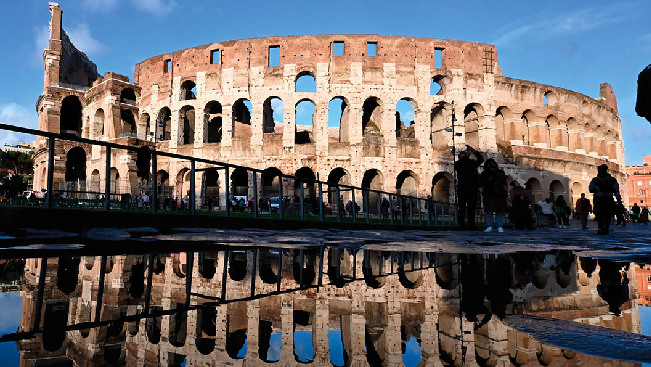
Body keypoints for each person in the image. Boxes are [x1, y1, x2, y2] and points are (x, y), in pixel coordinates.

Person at [454, 145, 484, 228]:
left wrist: (474, 152)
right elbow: (462, 163)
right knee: (462, 207)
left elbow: (481, 159)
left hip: (472, 187)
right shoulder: (458, 163)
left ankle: (471, 223)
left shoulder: (472, 163)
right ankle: (461, 223)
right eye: (463, 154)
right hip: (463, 188)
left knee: (471, 207)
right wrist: (466, 155)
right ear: (460, 157)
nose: (466, 154)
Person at [589, 164, 622, 235]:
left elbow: (616, 190)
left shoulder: (597, 180)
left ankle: (604, 228)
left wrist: (618, 199)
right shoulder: (609, 179)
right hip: (604, 198)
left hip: (603, 198)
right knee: (602, 214)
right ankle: (602, 228)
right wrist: (618, 199)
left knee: (605, 214)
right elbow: (616, 190)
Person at [480, 158, 508, 232]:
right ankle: (489, 226)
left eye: (493, 164)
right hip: (488, 193)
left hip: (498, 193)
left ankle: (500, 226)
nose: (491, 166)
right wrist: (488, 179)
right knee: (489, 211)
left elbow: (503, 179)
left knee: (499, 211)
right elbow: (482, 183)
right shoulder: (484, 174)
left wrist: (494, 172)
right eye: (490, 164)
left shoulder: (500, 172)